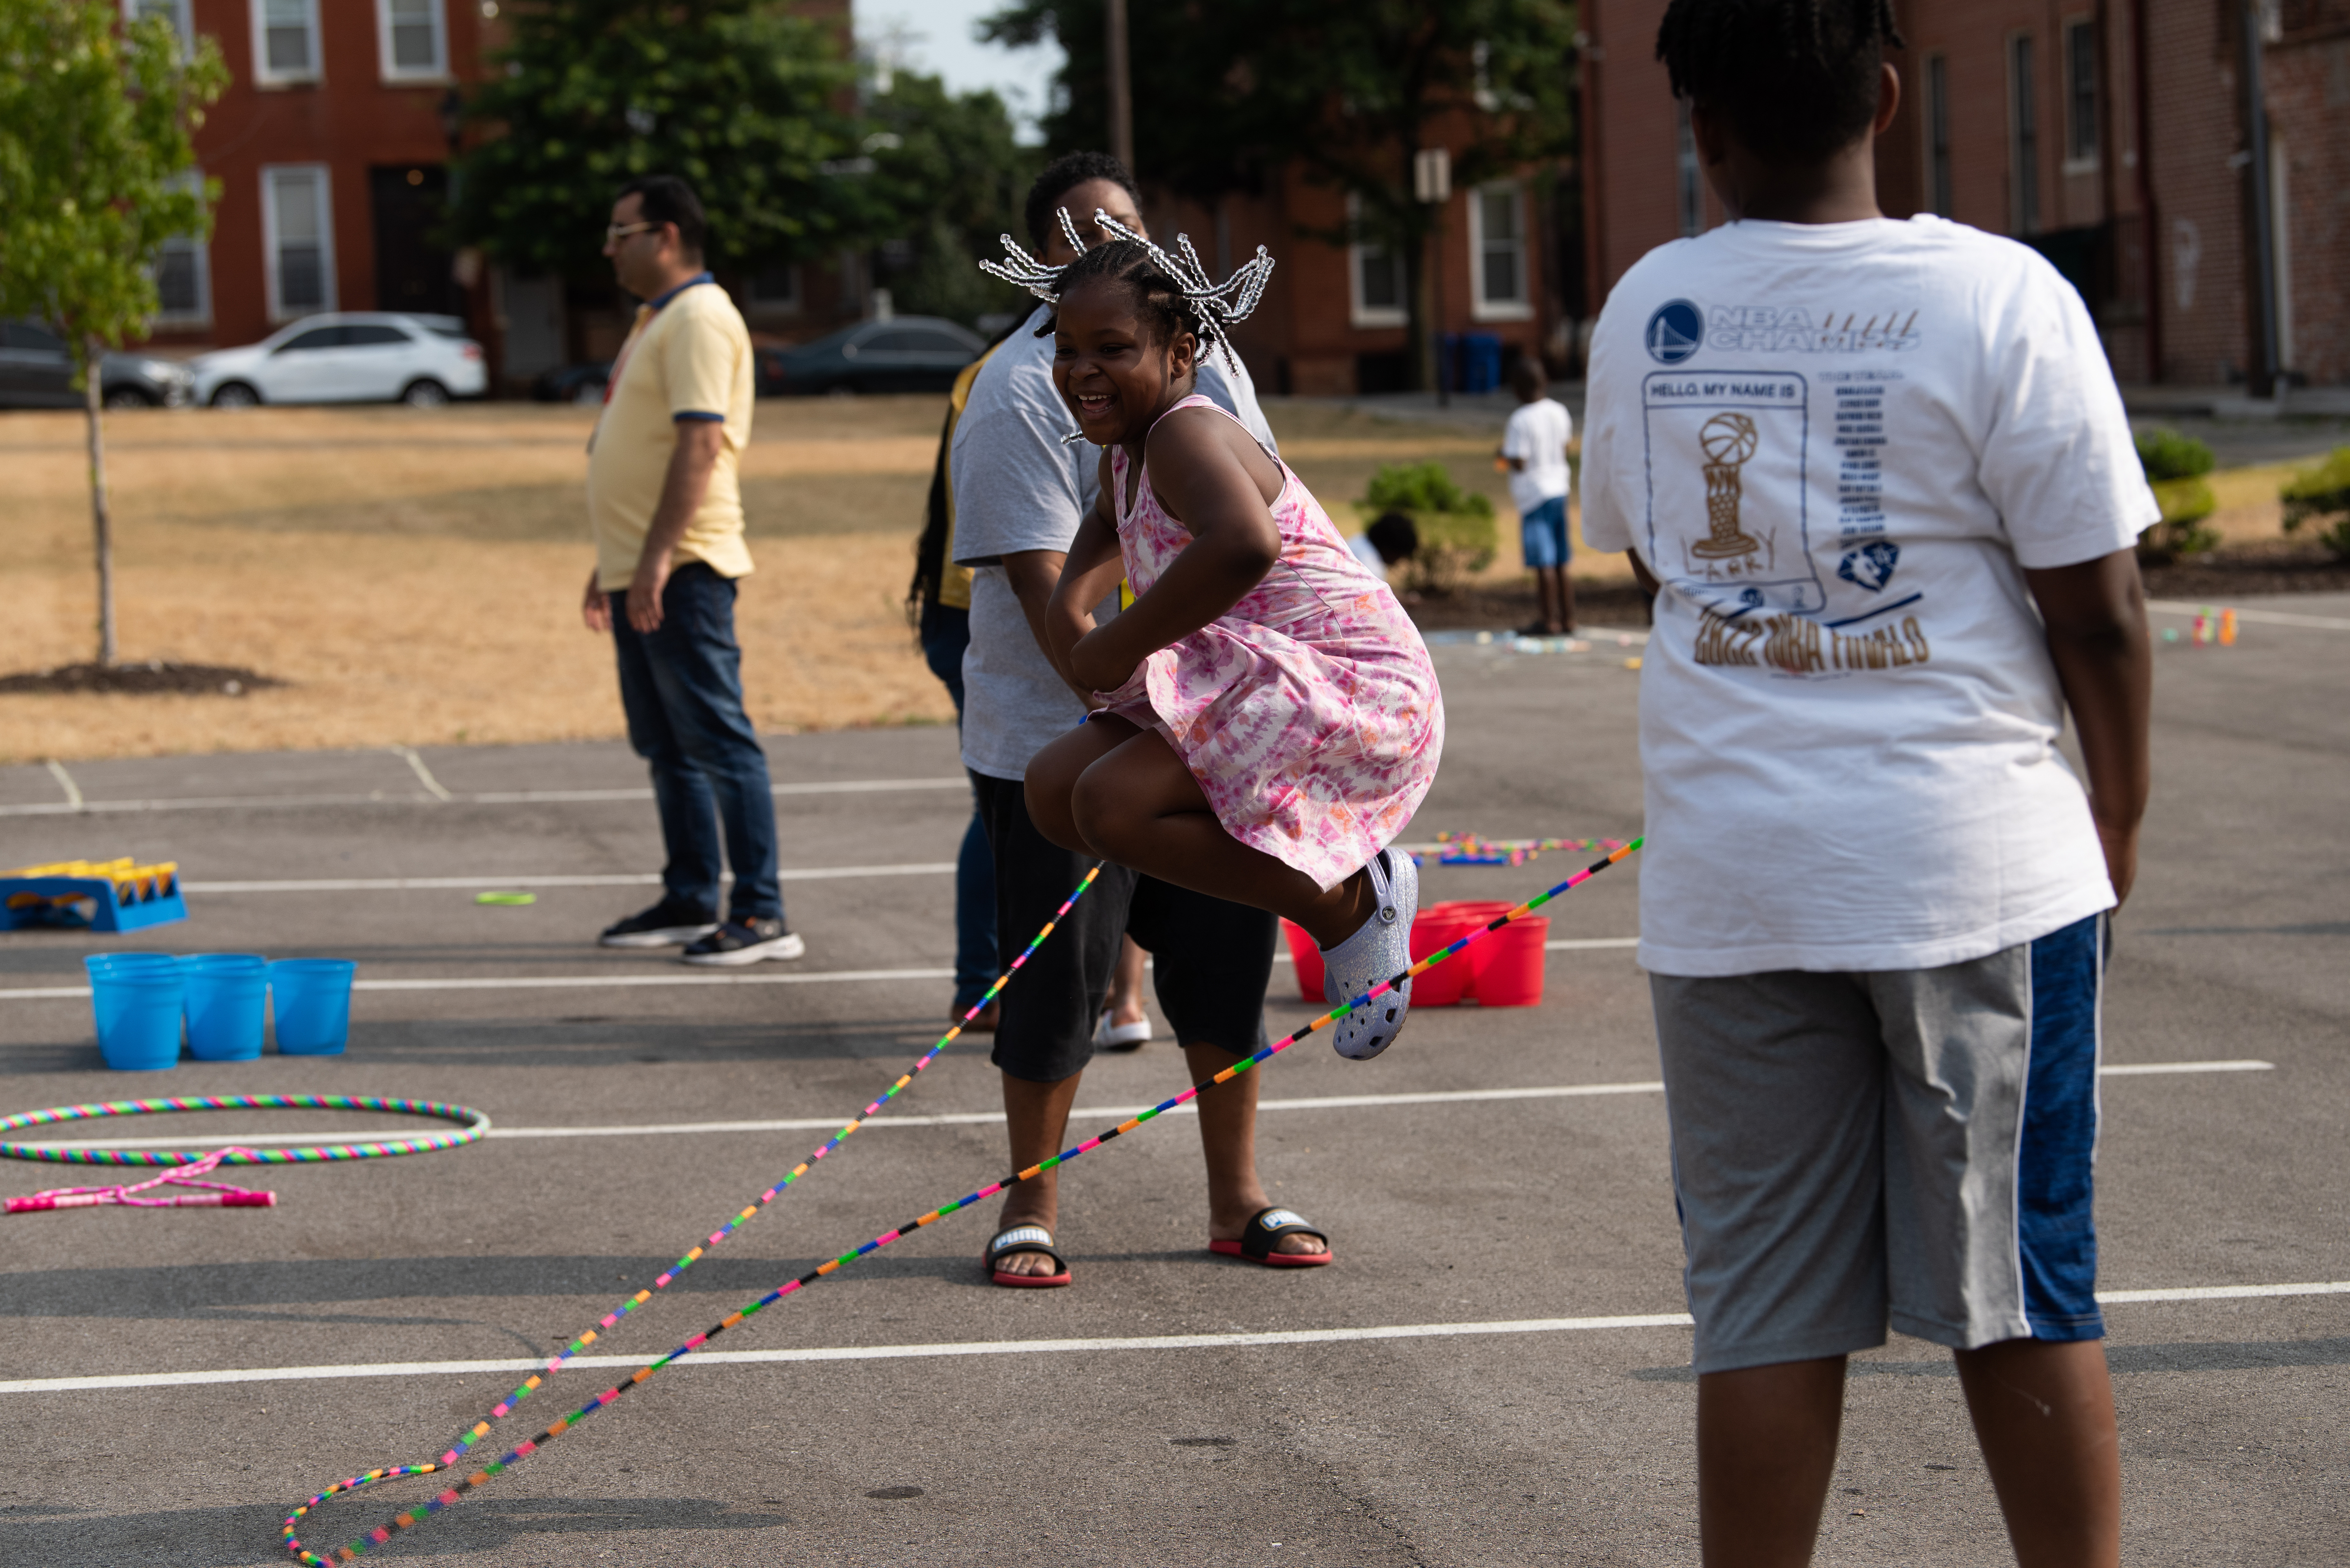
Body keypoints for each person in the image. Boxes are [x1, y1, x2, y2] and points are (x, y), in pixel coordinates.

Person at [1577, 3, 2154, 1564]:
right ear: (1886, 98)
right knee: (2018, 1284)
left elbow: (1651, 556)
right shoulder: (1997, 295)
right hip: (1969, 860)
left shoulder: (1648, 305)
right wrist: (2113, 812)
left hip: (1731, 877)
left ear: (1698, 127)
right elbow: (2093, 605)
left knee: (1759, 1308)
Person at [949, 153, 1328, 1285]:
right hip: (1064, 734)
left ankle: (1238, 1194)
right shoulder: (1020, 392)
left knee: (1222, 960)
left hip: (1205, 728)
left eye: (1119, 225)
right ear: (1041, 273)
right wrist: (1126, 682)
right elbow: (1046, 589)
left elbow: (1250, 531)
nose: (1099, 245)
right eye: (1072, 236)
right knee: (1058, 977)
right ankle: (1033, 1200)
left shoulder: (1205, 371)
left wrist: (1225, 710)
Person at [1004, 222, 1446, 1066]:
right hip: (1257, 672)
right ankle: (1326, 868)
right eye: (1065, 349)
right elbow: (1104, 528)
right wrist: (1070, 612)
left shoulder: (1184, 434)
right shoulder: (1126, 453)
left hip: (1354, 681)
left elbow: (1246, 544)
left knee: (1109, 803)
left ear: (1181, 351)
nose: (1081, 370)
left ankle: (1348, 903)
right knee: (1053, 792)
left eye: (1112, 347)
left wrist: (1116, 645)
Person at [584, 176, 800, 967]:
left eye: (621, 232)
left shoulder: (703, 317)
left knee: (716, 736)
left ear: (665, 235)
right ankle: (688, 893)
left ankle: (760, 910)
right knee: (667, 742)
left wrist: (655, 559)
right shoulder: (657, 318)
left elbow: (700, 445)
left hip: (687, 564)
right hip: (644, 563)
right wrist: (613, 561)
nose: (610, 248)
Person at [908, 342, 1006, 1028]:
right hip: (981, 616)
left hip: (979, 617)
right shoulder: (1005, 371)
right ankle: (982, 982)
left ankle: (992, 982)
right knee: (1007, 803)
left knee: (1019, 806)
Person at [1498, 358, 1575, 634]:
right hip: (1559, 489)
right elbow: (1565, 448)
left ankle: (1549, 620)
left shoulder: (1520, 420)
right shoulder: (1559, 411)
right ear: (1546, 382)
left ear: (1516, 390)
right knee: (1561, 560)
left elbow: (1519, 461)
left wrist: (1502, 455)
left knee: (1543, 562)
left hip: (1534, 495)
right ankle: (1569, 618)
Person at [1346, 510, 1421, 584]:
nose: (1398, 561)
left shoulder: (1359, 539)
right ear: (1391, 550)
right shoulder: (1373, 572)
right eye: (1401, 555)